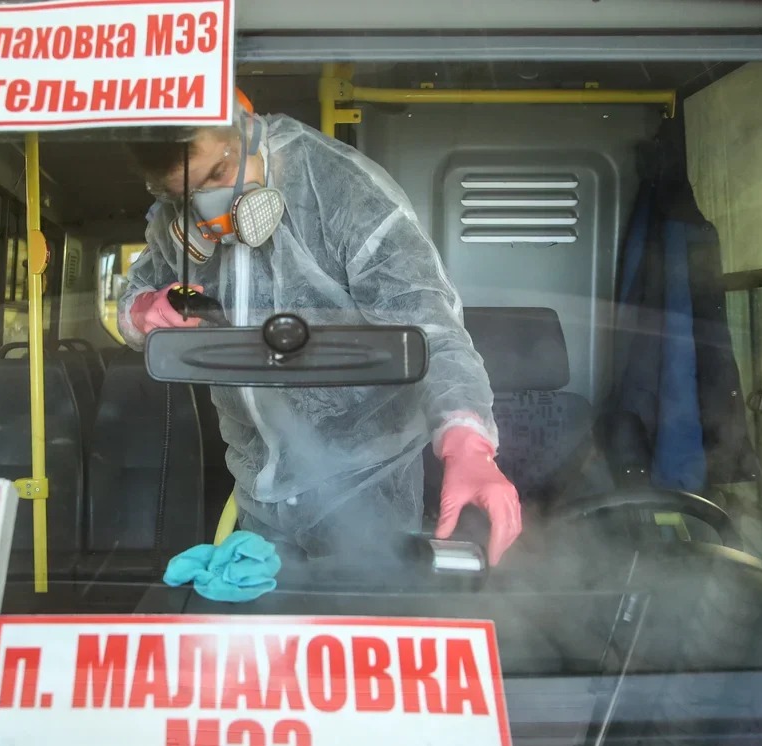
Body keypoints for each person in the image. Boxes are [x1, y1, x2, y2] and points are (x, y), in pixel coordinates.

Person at [117, 93, 522, 566]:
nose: (209, 209)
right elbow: (137, 289)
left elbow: (429, 324)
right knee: (269, 609)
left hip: (366, 479)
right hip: (258, 483)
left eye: (219, 174)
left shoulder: (340, 188)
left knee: (360, 604)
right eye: (186, 195)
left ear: (248, 128)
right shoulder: (177, 220)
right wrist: (141, 311)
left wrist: (467, 443)